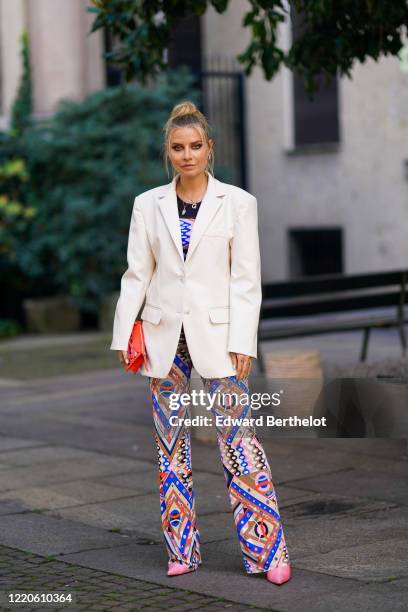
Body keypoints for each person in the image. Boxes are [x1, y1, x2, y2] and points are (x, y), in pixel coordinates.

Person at [110, 101, 291, 585]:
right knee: (171, 448)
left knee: (240, 444)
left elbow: (245, 279)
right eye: (177, 148)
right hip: (163, 337)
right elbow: (137, 273)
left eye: (195, 146)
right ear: (167, 152)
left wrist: (243, 341)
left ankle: (268, 552)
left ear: (210, 148)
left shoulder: (238, 202)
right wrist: (128, 333)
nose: (187, 155)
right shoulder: (147, 205)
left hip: (218, 337)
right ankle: (182, 550)